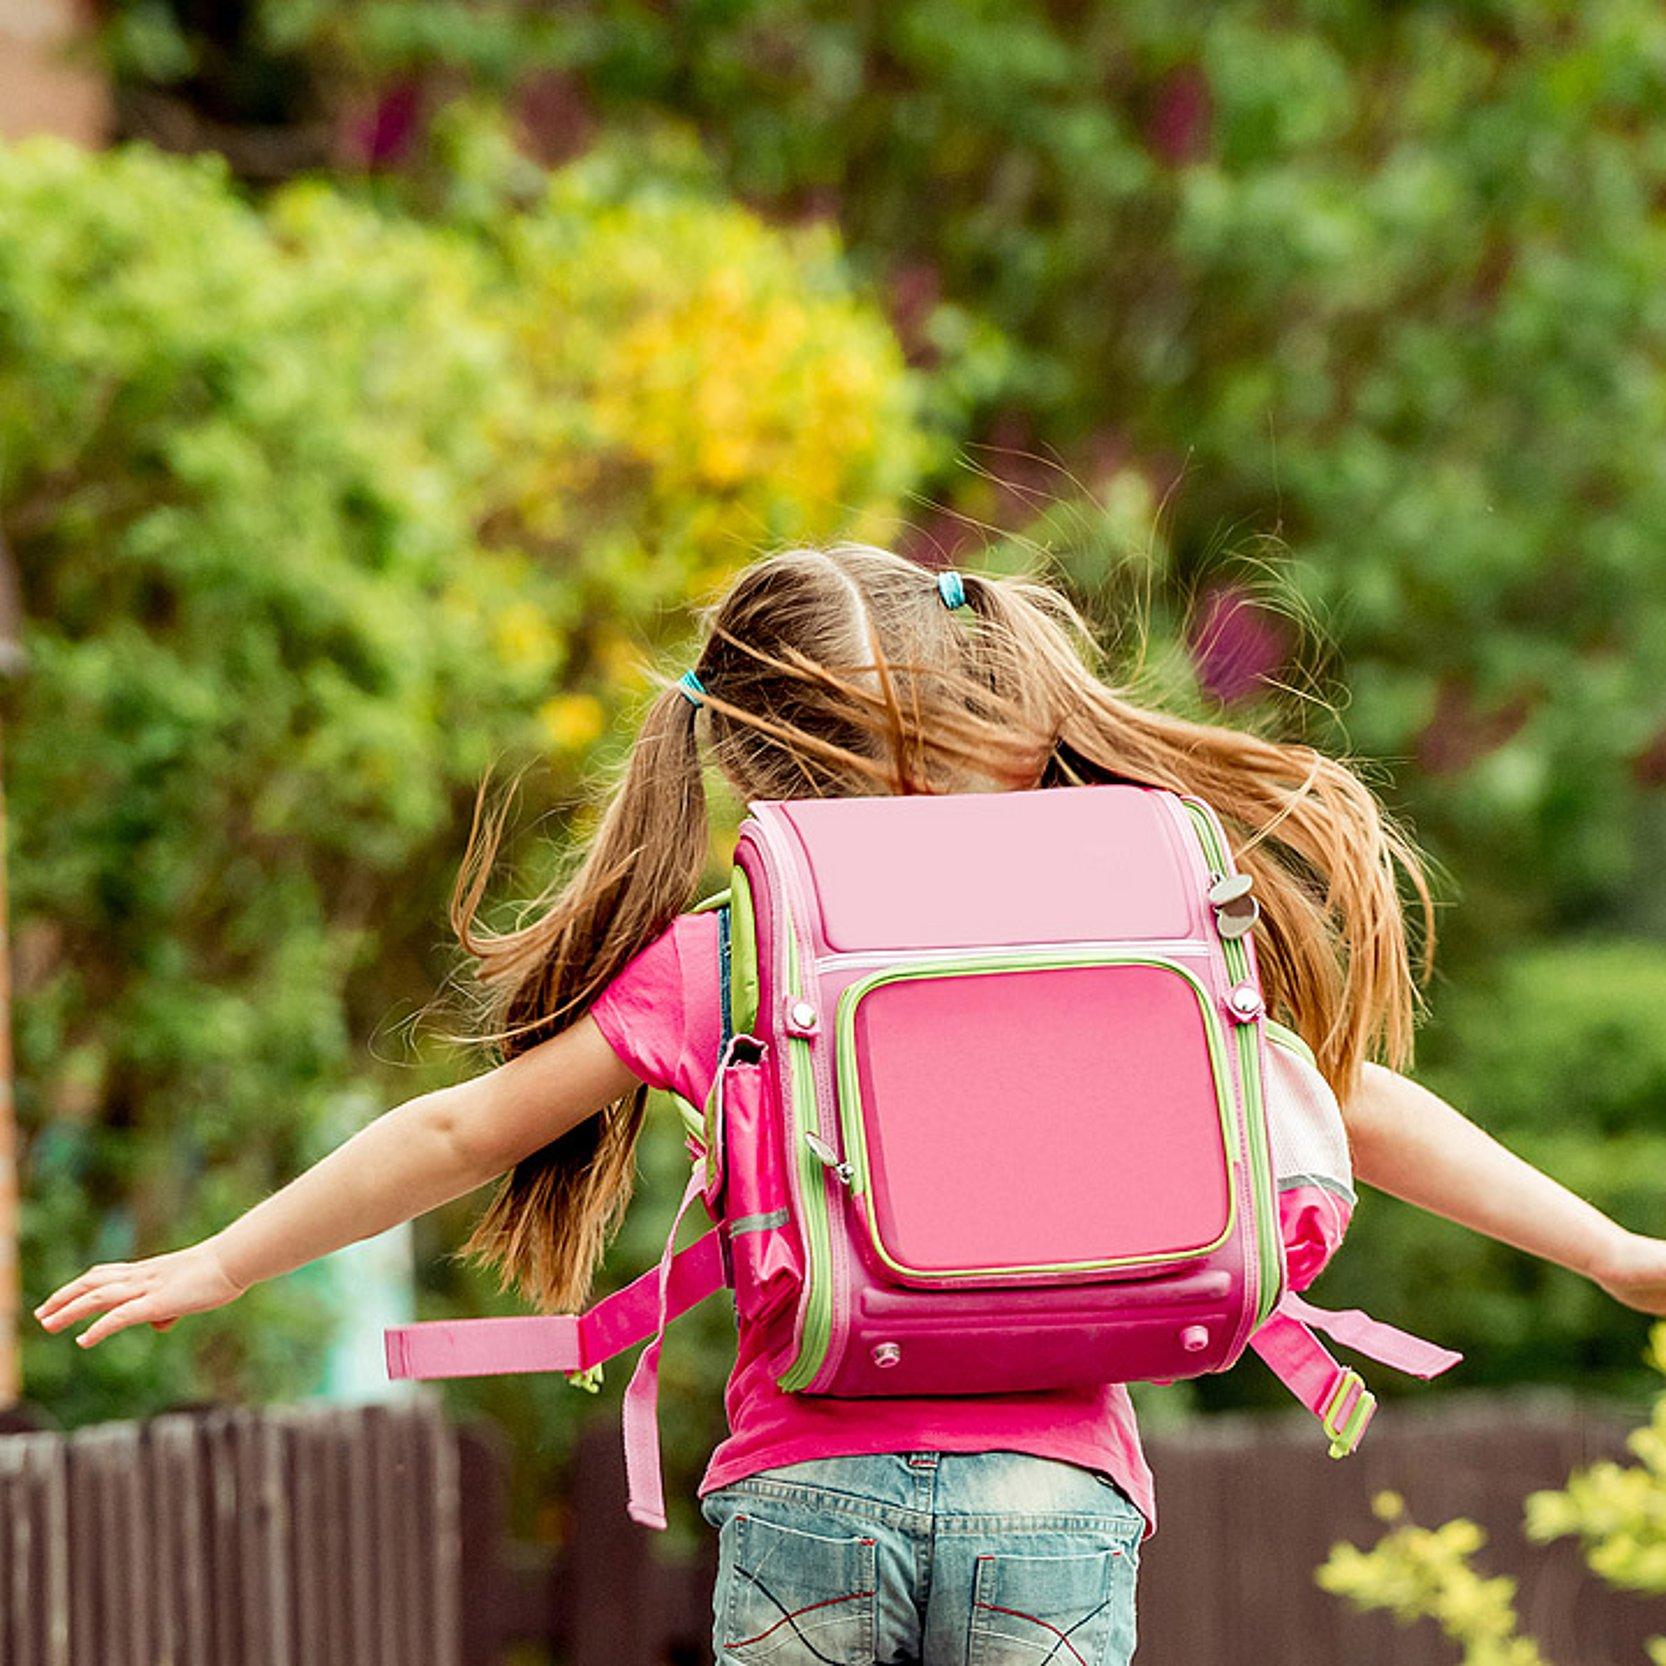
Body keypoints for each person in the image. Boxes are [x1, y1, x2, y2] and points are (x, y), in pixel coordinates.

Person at [36, 544, 1666, 1665]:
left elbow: (463, 1130)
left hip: (805, 1482)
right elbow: (1352, 1098)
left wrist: (225, 1261)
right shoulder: (1124, 915)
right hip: (1058, 1497)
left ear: (749, 766)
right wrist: (1606, 1251)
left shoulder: (737, 949)